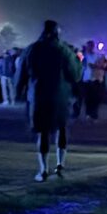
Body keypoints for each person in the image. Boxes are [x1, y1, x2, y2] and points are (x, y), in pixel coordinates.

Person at [17, 20, 81, 180]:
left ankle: (43, 169)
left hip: (38, 95)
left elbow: (21, 73)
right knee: (62, 129)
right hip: (60, 96)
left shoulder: (32, 49)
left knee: (43, 132)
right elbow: (75, 75)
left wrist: (19, 90)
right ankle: (60, 165)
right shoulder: (64, 50)